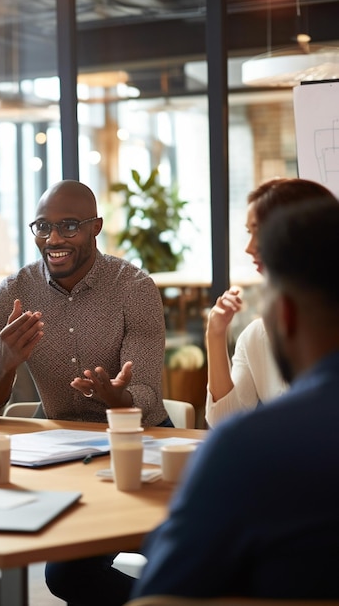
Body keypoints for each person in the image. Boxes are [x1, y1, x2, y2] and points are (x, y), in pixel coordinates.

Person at [0, 179, 169, 606]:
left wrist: (118, 399)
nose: (53, 239)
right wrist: (4, 362)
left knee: (190, 560)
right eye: (42, 226)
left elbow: (148, 396)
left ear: (95, 227)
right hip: (63, 453)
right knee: (67, 577)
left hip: (137, 447)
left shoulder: (134, 288)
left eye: (69, 226)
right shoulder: (13, 293)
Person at [132, 195, 339, 600]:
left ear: (286, 314)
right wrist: (216, 335)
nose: (249, 248)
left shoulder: (249, 449)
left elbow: (163, 591)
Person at [205, 177, 335, 427]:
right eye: (249, 232)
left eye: (260, 232)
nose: (249, 247)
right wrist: (215, 333)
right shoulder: (256, 335)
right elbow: (224, 423)